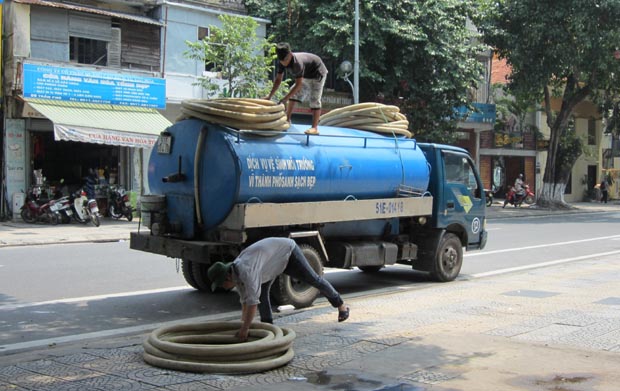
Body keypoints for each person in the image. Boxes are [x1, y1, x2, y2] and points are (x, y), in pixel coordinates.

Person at [208, 237, 349, 341]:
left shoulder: (246, 272)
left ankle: (341, 305)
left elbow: (252, 304)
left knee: (313, 279)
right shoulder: (236, 273)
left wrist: (244, 330)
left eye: (221, 284)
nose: (223, 288)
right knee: (262, 295)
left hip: (287, 252)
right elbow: (245, 301)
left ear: (227, 277)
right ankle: (269, 328)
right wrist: (243, 326)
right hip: (271, 264)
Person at [264, 42, 328, 135]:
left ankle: (314, 128)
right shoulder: (282, 61)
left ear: (290, 54)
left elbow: (298, 85)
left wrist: (285, 99)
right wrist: (269, 96)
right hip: (306, 75)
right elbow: (278, 80)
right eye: (281, 60)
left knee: (314, 99)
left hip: (317, 74)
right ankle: (288, 119)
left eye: (285, 59)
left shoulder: (297, 63)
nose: (284, 63)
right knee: (293, 95)